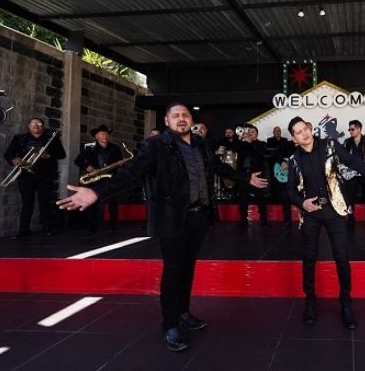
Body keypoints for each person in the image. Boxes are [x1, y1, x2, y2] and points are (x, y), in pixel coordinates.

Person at [57, 102, 267, 352]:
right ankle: (170, 326)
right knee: (174, 271)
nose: (181, 119)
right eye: (175, 116)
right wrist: (96, 192)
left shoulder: (201, 144)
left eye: (185, 115)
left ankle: (184, 312)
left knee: (188, 268)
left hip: (200, 216)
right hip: (172, 218)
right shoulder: (155, 145)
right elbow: (131, 174)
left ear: (191, 120)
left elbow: (217, 167)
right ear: (167, 121)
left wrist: (246, 178)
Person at [287, 116, 365, 329]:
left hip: (334, 209)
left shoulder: (329, 146)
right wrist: (302, 203)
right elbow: (290, 190)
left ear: (310, 128)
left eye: (305, 128)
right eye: (298, 132)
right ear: (294, 138)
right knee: (309, 258)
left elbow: (352, 160)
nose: (304, 133)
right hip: (311, 212)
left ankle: (346, 303)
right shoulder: (294, 159)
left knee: (341, 256)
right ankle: (310, 301)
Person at [4, 117, 66, 237]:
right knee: (27, 202)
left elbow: (62, 154)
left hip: (45, 175)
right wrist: (13, 159)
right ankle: (24, 230)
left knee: (44, 202)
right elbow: (8, 154)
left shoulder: (51, 139)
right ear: (29, 126)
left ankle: (47, 229)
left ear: (43, 126)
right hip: (25, 175)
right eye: (33, 123)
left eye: (39, 123)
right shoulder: (19, 138)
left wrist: (48, 155)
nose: (36, 125)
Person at [74, 125, 123, 234]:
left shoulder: (115, 148)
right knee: (92, 202)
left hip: (110, 178)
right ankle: (91, 227)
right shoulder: (89, 147)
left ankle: (113, 227)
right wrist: (87, 166)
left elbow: (120, 162)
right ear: (96, 136)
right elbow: (77, 161)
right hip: (95, 178)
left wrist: (120, 164)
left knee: (112, 202)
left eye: (106, 134)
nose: (105, 136)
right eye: (102, 134)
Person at [343, 120, 365, 230]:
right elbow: (344, 158)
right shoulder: (347, 142)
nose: (350, 131)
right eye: (349, 129)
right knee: (349, 198)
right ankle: (350, 220)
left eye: (352, 129)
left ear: (359, 129)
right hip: (351, 173)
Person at [237, 124, 268, 227]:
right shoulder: (242, 144)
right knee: (243, 199)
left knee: (260, 198)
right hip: (243, 175)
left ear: (257, 134)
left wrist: (250, 142)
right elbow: (234, 149)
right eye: (249, 132)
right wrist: (243, 141)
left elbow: (261, 152)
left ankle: (263, 219)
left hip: (257, 174)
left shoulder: (261, 144)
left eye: (253, 132)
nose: (250, 133)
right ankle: (243, 220)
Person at [267, 126, 293, 228]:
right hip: (287, 176)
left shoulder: (305, 146)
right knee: (285, 198)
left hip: (299, 177)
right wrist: (282, 162)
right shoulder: (287, 144)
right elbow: (276, 155)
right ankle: (287, 221)